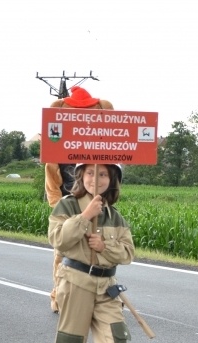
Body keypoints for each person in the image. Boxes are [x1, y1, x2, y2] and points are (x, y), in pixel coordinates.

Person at [47, 162, 144, 343]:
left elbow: (127, 253)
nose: (96, 178)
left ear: (112, 179)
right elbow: (58, 241)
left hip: (107, 287)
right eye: (90, 173)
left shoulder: (116, 216)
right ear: (81, 176)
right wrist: (84, 216)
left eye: (103, 174)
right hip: (75, 282)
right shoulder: (67, 205)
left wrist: (105, 246)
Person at [45, 86, 114, 313]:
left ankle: (95, 295)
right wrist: (58, 206)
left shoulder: (99, 147)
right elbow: (51, 178)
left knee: (95, 247)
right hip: (68, 203)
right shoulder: (59, 145)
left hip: (95, 204)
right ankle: (59, 293)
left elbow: (108, 175)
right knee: (63, 252)